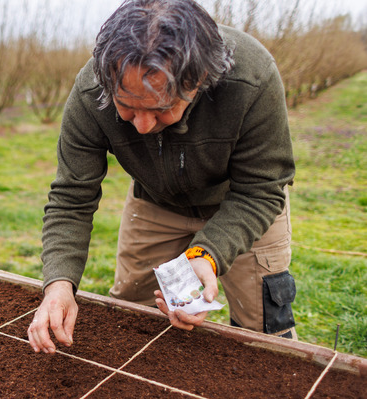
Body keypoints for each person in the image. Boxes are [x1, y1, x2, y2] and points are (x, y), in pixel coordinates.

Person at [28, 0, 298, 354]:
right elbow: (71, 198)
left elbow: (261, 189)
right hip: (154, 202)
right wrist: (59, 286)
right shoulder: (90, 92)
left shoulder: (251, 77)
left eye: (160, 108)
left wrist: (208, 254)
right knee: (132, 315)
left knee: (264, 332)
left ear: (199, 81)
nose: (141, 125)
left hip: (241, 202)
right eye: (127, 106)